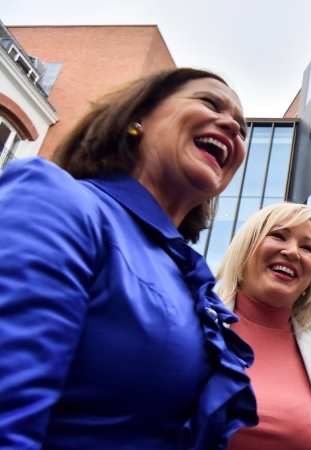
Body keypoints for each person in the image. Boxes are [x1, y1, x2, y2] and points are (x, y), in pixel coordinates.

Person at [0, 68, 257, 448]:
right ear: (136, 117)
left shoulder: (192, 284)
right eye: (208, 102)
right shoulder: (60, 202)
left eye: (241, 127)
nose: (233, 128)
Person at [215, 203, 311, 450]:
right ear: (246, 249)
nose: (293, 252)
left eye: (307, 248)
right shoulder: (192, 327)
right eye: (278, 235)